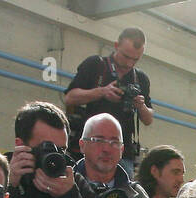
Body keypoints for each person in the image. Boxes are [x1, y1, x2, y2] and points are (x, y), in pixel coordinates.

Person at [65, 27, 154, 167]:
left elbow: (148, 119)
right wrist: (101, 92)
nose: (129, 64)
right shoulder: (95, 65)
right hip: (89, 149)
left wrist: (141, 106)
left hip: (122, 155)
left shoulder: (140, 78)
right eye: (126, 56)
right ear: (116, 46)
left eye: (135, 59)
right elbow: (70, 97)